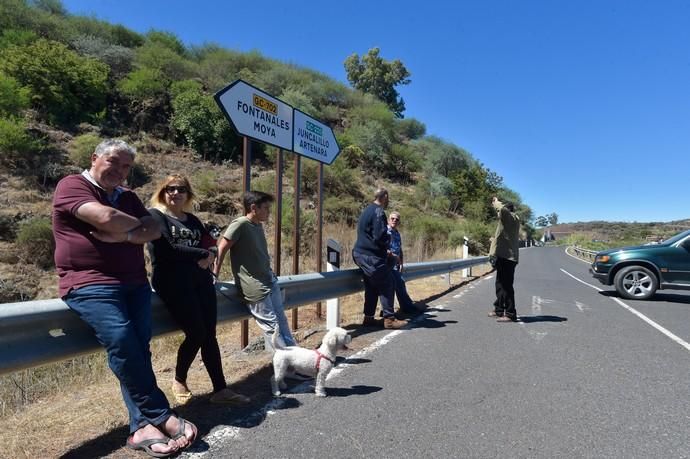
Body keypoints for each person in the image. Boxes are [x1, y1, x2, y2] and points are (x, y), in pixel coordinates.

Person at [52, 139, 196, 457]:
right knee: (122, 339)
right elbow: (104, 218)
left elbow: (155, 228)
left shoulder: (127, 196)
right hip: (90, 283)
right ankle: (159, 414)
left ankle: (140, 427)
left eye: (126, 166)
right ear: (94, 158)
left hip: (134, 284)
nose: (118, 170)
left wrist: (127, 233)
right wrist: (134, 227)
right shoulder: (72, 185)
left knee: (136, 350)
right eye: (113, 162)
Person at [147, 174, 251, 405]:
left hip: (200, 281)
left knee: (210, 335)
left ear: (188, 194)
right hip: (173, 283)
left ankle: (221, 390)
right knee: (196, 333)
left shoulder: (192, 219)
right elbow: (166, 250)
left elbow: (210, 243)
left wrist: (211, 253)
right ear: (163, 192)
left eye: (181, 189)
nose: (175, 193)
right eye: (170, 189)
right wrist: (204, 254)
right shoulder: (155, 216)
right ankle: (179, 379)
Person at [213, 191, 297, 351]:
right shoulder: (240, 224)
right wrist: (214, 273)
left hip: (269, 281)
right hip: (254, 286)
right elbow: (222, 247)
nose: (269, 212)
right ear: (253, 208)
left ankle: (296, 361)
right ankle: (286, 367)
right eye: (265, 208)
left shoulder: (257, 225)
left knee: (282, 322)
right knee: (273, 328)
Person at [352, 188, 407, 329]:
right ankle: (389, 319)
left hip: (361, 253)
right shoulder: (379, 212)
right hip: (371, 256)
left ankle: (369, 318)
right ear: (385, 197)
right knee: (387, 283)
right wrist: (387, 240)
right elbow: (380, 236)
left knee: (372, 286)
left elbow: (368, 235)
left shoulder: (367, 210)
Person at [488, 196, 521, 322]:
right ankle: (499, 310)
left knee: (506, 286)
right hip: (503, 257)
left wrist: (496, 202)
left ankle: (511, 313)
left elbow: (501, 210)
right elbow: (504, 238)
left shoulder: (510, 218)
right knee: (500, 285)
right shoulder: (508, 222)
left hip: (508, 258)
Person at [386, 211, 425, 316]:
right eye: (392, 218)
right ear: (388, 220)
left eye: (397, 219)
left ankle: (395, 310)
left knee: (397, 285)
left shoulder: (397, 233)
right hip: (387, 263)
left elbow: (399, 249)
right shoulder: (384, 231)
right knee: (398, 283)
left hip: (396, 264)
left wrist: (401, 263)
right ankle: (406, 308)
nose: (394, 220)